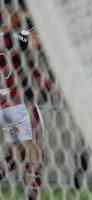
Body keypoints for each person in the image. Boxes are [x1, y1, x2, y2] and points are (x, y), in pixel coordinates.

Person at [0, 28, 53, 200]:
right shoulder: (8, 38)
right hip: (14, 101)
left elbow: (27, 61)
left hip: (9, 102)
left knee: (20, 152)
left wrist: (43, 82)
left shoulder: (11, 38)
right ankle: (33, 196)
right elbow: (29, 40)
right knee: (33, 150)